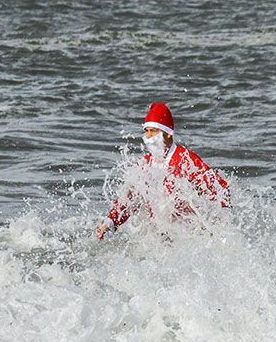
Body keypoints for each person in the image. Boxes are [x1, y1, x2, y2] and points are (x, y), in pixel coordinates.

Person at [95, 103, 230, 240]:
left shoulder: (184, 160)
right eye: (146, 131)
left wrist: (223, 224)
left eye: (153, 131)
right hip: (159, 235)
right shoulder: (144, 164)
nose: (148, 136)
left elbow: (220, 188)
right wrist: (110, 222)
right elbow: (129, 200)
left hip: (189, 234)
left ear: (168, 134)